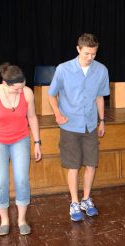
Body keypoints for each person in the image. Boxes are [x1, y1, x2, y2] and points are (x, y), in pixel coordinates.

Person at [0, 63, 42, 236]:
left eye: (22, 87)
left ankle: (21, 220)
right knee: (0, 182)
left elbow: (32, 117)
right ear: (5, 84)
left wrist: (37, 142)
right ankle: (4, 220)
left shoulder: (26, 92)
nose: (20, 92)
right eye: (16, 90)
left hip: (20, 139)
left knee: (21, 180)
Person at [48, 33, 109, 221]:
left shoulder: (101, 70)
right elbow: (51, 94)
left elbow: (100, 97)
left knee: (91, 164)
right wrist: (58, 114)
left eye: (94, 54)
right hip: (70, 125)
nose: (90, 58)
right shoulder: (63, 69)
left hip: (90, 125)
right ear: (78, 49)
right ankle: (74, 202)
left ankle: (86, 199)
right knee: (73, 166)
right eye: (87, 54)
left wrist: (102, 120)